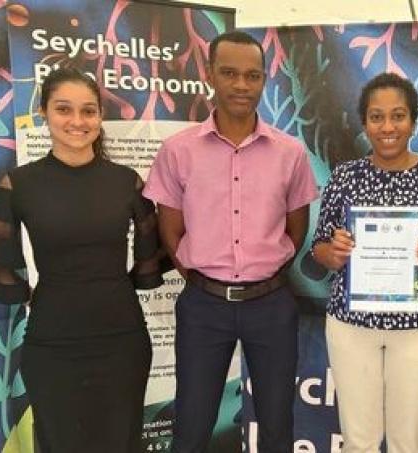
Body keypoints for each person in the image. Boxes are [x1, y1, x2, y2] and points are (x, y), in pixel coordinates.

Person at [0, 67, 167, 452]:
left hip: (122, 342)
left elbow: (151, 257)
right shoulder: (19, 184)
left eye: (88, 111)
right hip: (52, 342)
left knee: (121, 443)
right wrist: (25, 291)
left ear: (100, 116)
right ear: (44, 112)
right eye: (64, 109)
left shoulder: (126, 181)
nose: (77, 121)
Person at [143, 31, 318, 453]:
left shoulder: (290, 153)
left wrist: (261, 271)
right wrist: (207, 277)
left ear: (264, 80)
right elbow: (170, 231)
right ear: (209, 75)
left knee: (277, 424)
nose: (242, 84)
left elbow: (296, 231)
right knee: (192, 424)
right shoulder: (178, 151)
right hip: (203, 307)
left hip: (270, 305)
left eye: (252, 75)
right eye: (229, 73)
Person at [311, 72, 418, 453]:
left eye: (398, 116)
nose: (387, 127)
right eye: (376, 117)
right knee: (359, 440)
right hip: (352, 325)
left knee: (408, 441)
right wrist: (334, 253)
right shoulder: (345, 177)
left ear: (413, 122)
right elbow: (320, 246)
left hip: (417, 326)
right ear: (365, 123)